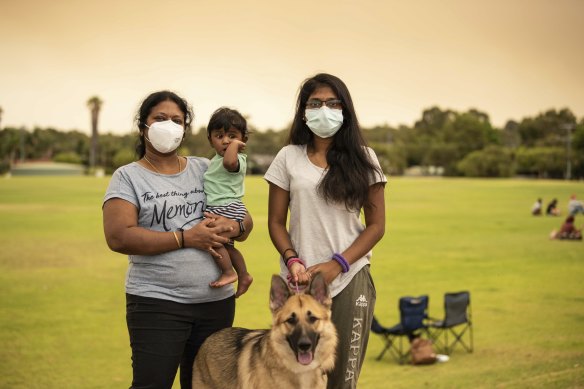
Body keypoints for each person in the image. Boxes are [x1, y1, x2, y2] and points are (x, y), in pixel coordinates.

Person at [102, 91, 252, 389]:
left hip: (215, 305)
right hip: (157, 303)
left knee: (207, 385)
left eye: (177, 120)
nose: (168, 125)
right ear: (143, 125)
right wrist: (185, 238)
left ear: (185, 129)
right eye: (160, 118)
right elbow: (119, 237)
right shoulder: (128, 177)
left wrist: (233, 226)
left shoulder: (205, 167)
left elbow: (245, 223)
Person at [264, 73, 386, 389]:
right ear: (304, 111)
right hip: (299, 283)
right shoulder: (287, 157)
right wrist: (293, 260)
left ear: (344, 110)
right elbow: (276, 221)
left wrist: (337, 265)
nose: (324, 110)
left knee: (341, 380)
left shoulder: (365, 158)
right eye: (315, 103)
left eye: (333, 103)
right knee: (297, 378)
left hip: (349, 277)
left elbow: (376, 226)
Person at [203, 107, 253, 298]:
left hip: (228, 207)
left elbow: (229, 164)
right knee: (228, 247)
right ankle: (243, 274)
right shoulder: (214, 159)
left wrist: (234, 146)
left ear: (243, 139)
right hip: (222, 207)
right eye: (219, 136)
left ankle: (228, 272)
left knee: (212, 240)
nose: (225, 141)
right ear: (210, 139)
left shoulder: (237, 159)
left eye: (232, 136)